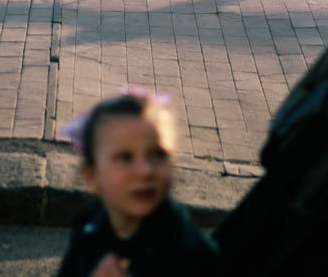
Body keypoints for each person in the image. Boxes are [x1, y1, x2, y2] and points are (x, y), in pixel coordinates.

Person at [54, 89, 219, 277]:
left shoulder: (181, 245)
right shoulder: (89, 224)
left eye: (157, 154)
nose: (145, 171)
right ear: (92, 175)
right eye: (125, 157)